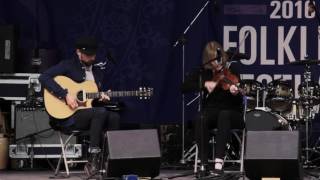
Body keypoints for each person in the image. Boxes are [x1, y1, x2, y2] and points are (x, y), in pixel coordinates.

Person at [39, 36, 120, 177]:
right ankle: (92, 160)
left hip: (89, 115)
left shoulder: (97, 71)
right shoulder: (68, 65)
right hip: (69, 116)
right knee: (100, 113)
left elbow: (91, 102)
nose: (91, 57)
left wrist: (102, 97)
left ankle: (109, 160)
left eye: (93, 54)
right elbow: (44, 77)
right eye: (88, 54)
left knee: (114, 117)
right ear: (78, 52)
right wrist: (65, 95)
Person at [182, 41, 244, 175]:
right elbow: (184, 87)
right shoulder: (204, 72)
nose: (218, 64)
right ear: (208, 60)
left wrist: (235, 92)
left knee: (224, 115)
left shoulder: (232, 71)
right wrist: (204, 84)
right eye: (214, 61)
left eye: (219, 59)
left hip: (233, 113)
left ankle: (218, 163)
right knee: (200, 117)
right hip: (211, 111)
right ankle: (204, 164)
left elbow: (240, 99)